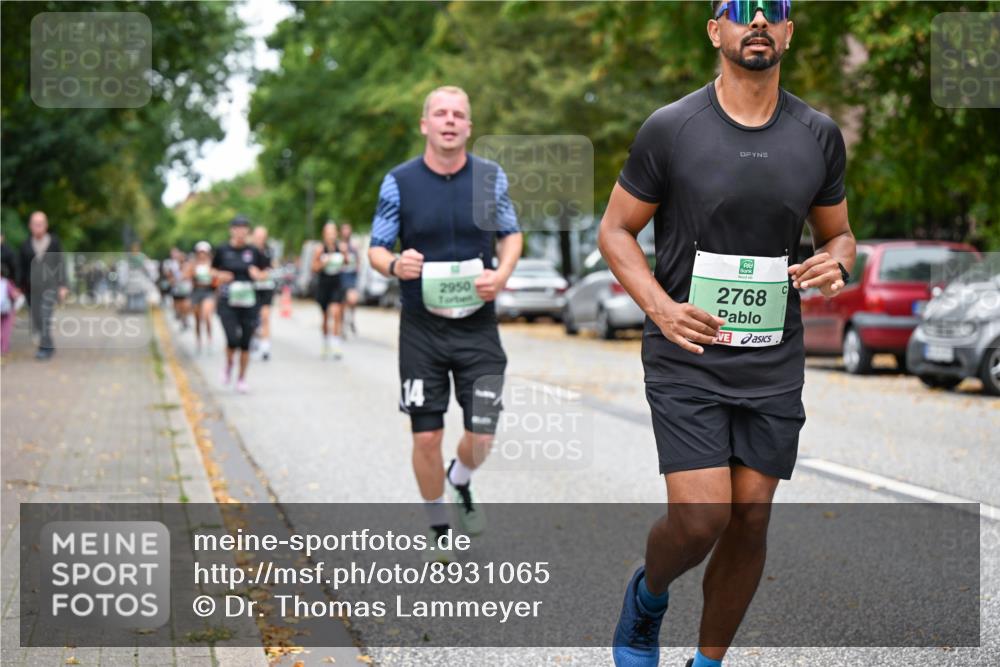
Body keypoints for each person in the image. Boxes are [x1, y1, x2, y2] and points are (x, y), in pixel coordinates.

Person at [601, 3, 857, 666]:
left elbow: (839, 232)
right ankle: (648, 596)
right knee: (702, 516)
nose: (760, 20)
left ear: (790, 34)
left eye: (775, 10)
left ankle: (708, 662)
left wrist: (840, 259)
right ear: (716, 31)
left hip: (772, 356)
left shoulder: (818, 134)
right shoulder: (672, 129)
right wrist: (660, 307)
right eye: (741, 9)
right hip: (686, 352)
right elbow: (615, 230)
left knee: (750, 517)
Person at [368, 85, 522, 560]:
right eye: (440, 113)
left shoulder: (490, 178)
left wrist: (502, 273)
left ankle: (461, 479)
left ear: (468, 127)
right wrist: (395, 265)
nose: (450, 121)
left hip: (478, 326)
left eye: (458, 114)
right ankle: (439, 525)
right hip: (422, 328)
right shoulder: (399, 181)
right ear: (425, 124)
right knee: (427, 433)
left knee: (482, 434)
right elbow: (375, 248)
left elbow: (511, 235)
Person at [212, 216, 270, 393]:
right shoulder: (222, 249)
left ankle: (241, 378)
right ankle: (229, 366)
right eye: (237, 228)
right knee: (232, 339)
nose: (240, 231)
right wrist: (220, 276)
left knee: (245, 342)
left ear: (248, 231)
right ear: (231, 230)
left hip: (249, 301)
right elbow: (211, 269)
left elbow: (267, 271)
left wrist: (259, 275)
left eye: (244, 228)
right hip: (227, 301)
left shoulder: (254, 251)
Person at [16, 211, 68, 360]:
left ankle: (44, 348)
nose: (38, 227)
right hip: (31, 289)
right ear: (30, 226)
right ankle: (49, 344)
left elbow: (61, 263)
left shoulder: (54, 242)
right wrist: (19, 287)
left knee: (45, 317)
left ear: (46, 225)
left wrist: (63, 285)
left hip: (50, 287)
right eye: (35, 224)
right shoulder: (25, 245)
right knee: (37, 319)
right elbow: (20, 267)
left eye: (41, 224)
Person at [311, 222, 347, 359]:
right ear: (324, 235)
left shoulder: (340, 248)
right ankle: (325, 343)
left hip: (336, 284)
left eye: (333, 233)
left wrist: (345, 255)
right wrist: (323, 263)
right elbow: (314, 268)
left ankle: (336, 344)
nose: (331, 236)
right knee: (326, 316)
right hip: (324, 285)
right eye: (328, 233)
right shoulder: (320, 249)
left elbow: (347, 262)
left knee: (336, 313)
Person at [251, 226, 276, 360]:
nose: (260, 239)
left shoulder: (269, 251)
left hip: (266, 287)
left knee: (265, 317)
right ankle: (254, 341)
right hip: (252, 288)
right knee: (253, 319)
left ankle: (265, 347)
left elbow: (272, 266)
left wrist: (266, 273)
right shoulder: (249, 251)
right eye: (258, 236)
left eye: (262, 236)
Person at [186, 241, 216, 353]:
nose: (202, 254)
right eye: (200, 252)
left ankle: (210, 340)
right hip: (196, 292)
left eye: (204, 252)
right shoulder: (193, 264)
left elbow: (218, 277)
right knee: (198, 319)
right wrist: (192, 274)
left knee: (207, 316)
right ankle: (198, 341)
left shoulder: (212, 264)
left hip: (208, 291)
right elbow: (186, 276)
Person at [339, 222, 361, 336]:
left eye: (348, 230)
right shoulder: (339, 246)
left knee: (352, 300)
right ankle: (342, 325)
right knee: (342, 303)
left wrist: (358, 267)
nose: (346, 232)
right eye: (344, 230)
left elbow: (358, 260)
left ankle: (351, 318)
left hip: (351, 276)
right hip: (341, 277)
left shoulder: (354, 246)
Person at [168, 247, 192, 329]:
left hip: (186, 289)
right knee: (179, 306)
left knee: (186, 305)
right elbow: (170, 277)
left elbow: (190, 276)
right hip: (177, 290)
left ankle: (185, 319)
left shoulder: (188, 265)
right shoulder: (173, 266)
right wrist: (173, 281)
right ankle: (182, 319)